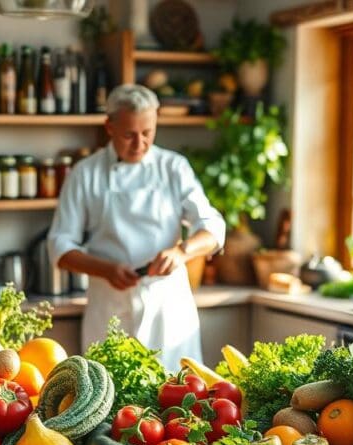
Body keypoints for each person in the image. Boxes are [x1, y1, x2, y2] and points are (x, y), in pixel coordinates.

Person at [47, 84, 225, 372]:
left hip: (168, 309)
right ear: (109, 126)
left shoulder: (173, 167)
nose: (140, 143)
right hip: (110, 309)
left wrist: (182, 252)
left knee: (178, 395)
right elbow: (60, 246)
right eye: (130, 135)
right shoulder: (85, 174)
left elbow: (212, 226)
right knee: (109, 403)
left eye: (148, 133)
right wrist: (106, 269)